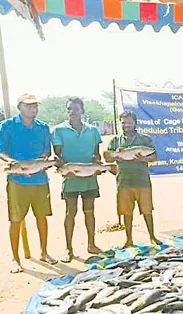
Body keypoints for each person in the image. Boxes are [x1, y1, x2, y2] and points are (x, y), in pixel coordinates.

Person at [0, 94, 57, 272]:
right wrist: (10, 162)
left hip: (40, 179)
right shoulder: (7, 125)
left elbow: (46, 151)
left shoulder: (43, 127)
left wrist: (44, 160)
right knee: (16, 219)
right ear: (19, 107)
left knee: (42, 217)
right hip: (17, 180)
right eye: (29, 106)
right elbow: (2, 151)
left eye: (35, 106)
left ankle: (44, 252)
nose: (33, 109)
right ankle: (15, 259)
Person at [52, 97, 103, 263]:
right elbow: (58, 156)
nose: (72, 112)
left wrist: (97, 163)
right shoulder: (59, 130)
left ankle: (92, 244)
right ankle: (69, 248)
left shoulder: (93, 130)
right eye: (69, 109)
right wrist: (66, 170)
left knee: (89, 211)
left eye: (75, 109)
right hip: (70, 179)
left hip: (89, 179)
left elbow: (97, 154)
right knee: (70, 213)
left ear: (82, 111)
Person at [104, 111, 161, 248]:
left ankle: (152, 236)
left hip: (142, 181)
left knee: (147, 210)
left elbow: (154, 157)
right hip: (123, 181)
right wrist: (116, 155)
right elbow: (107, 158)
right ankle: (129, 240)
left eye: (129, 122)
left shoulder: (144, 139)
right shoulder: (115, 140)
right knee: (126, 212)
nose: (126, 125)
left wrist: (144, 159)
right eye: (123, 122)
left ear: (135, 123)